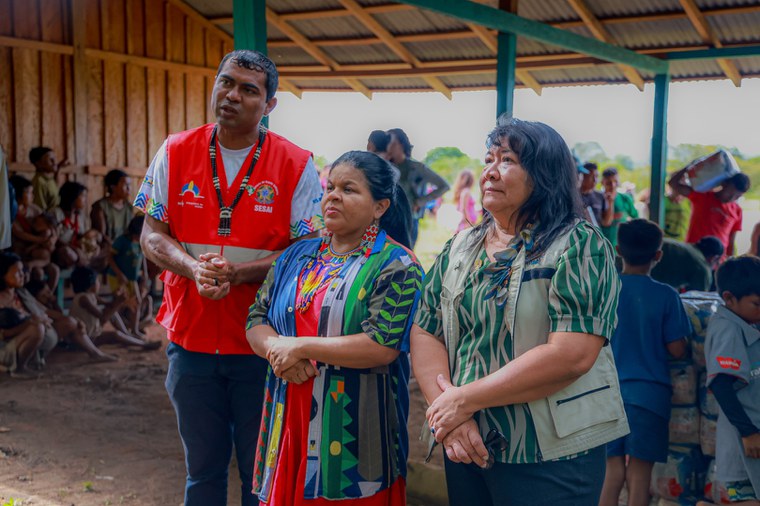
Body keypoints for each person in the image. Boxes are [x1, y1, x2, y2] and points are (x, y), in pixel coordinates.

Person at [135, 49, 324, 505]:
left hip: (262, 347)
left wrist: (240, 274)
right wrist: (192, 267)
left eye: (248, 89)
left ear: (270, 105)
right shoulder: (175, 150)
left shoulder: (296, 164)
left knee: (261, 475)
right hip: (190, 341)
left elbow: (308, 252)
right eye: (226, 82)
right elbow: (151, 234)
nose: (231, 95)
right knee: (202, 471)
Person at [411, 117, 628, 506]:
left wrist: (464, 400)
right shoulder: (461, 247)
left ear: (543, 174)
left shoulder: (578, 244)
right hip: (468, 442)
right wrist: (452, 415)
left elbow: (572, 355)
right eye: (488, 159)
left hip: (550, 454)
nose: (490, 172)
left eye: (507, 160)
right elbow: (426, 330)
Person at [246, 150, 421, 505]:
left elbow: (382, 345)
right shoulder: (296, 256)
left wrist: (300, 347)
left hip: (354, 437)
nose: (333, 196)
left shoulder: (396, 264)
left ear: (380, 207)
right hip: (288, 419)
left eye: (349, 189)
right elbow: (256, 318)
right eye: (330, 187)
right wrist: (279, 351)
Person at [600, 219, 690, 506]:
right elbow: (677, 349)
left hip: (604, 393)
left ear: (617, 251)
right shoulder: (666, 295)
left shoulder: (605, 290)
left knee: (610, 470)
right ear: (658, 255)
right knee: (639, 473)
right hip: (649, 398)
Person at [704, 256, 760, 505]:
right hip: (744, 442)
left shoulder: (747, 323)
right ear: (729, 298)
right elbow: (721, 384)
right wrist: (748, 433)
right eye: (757, 304)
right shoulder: (728, 329)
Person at [68, 266, 159, 351]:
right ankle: (143, 344)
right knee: (115, 335)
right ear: (91, 283)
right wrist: (118, 302)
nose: (98, 284)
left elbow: (109, 305)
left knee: (112, 313)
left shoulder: (91, 296)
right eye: (97, 281)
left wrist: (117, 297)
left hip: (92, 332)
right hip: (85, 338)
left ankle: (128, 335)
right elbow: (103, 318)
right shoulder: (83, 298)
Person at [387, 128, 450, 247]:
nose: (388, 146)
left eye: (392, 143)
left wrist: (420, 202)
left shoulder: (417, 168)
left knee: (406, 256)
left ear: (401, 144)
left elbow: (444, 186)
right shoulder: (384, 167)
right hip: (388, 219)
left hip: (409, 220)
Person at [669, 169, 750, 257]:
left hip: (717, 261)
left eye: (737, 196)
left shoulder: (737, 210)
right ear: (724, 184)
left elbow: (731, 241)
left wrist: (730, 260)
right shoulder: (703, 196)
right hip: (693, 255)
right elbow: (673, 183)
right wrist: (689, 167)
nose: (731, 198)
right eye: (730, 193)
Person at [0, 252, 46, 378]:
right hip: (2, 349)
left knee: (41, 328)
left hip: (13, 344)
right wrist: (28, 324)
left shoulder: (19, 294)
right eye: (17, 272)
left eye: (22, 271)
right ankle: (19, 369)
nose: (22, 275)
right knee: (37, 329)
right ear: (2, 275)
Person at [107, 215, 152, 336]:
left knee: (136, 302)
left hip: (131, 279)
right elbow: (110, 258)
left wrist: (145, 274)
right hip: (117, 278)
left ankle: (134, 329)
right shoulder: (121, 241)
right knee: (123, 302)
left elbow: (142, 259)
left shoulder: (140, 242)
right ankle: (128, 329)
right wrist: (119, 274)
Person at [651, 236, 724, 293]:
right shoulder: (702, 267)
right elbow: (699, 304)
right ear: (714, 258)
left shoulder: (686, 248)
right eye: (717, 262)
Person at [91, 169, 134, 240]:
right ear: (113, 187)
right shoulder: (101, 206)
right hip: (108, 247)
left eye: (129, 185)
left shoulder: (128, 207)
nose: (129, 188)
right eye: (125, 185)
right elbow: (101, 235)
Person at [600, 167, 638, 248]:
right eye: (609, 183)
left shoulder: (625, 198)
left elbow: (636, 218)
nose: (613, 185)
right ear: (602, 182)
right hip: (603, 247)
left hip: (622, 247)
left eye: (615, 182)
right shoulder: (598, 199)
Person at [29, 146, 67, 212]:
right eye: (50, 159)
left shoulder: (49, 179)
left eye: (55, 158)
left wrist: (59, 168)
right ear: (39, 164)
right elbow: (40, 210)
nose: (55, 162)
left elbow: (56, 187)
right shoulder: (39, 182)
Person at [580, 162, 611, 228]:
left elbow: (606, 222)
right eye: (591, 176)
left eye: (596, 176)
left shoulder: (600, 196)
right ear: (583, 176)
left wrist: (610, 201)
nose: (595, 180)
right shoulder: (574, 196)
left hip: (595, 236)